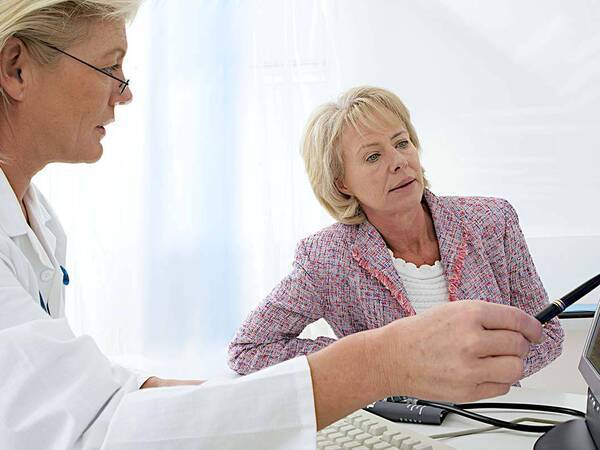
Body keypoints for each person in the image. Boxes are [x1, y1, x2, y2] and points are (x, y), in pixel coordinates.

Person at [0, 2, 545, 449]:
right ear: (16, 69)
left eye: (402, 143)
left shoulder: (37, 222)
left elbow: (90, 394)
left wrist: (208, 399)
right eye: (109, 67)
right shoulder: (330, 255)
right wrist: (378, 361)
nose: (125, 91)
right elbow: (92, 430)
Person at [228, 86, 564, 377]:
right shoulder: (326, 258)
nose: (398, 161)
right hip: (398, 431)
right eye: (373, 156)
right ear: (342, 183)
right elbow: (248, 349)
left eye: (401, 143)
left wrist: (483, 369)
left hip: (495, 415)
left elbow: (546, 334)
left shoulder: (491, 220)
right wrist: (371, 362)